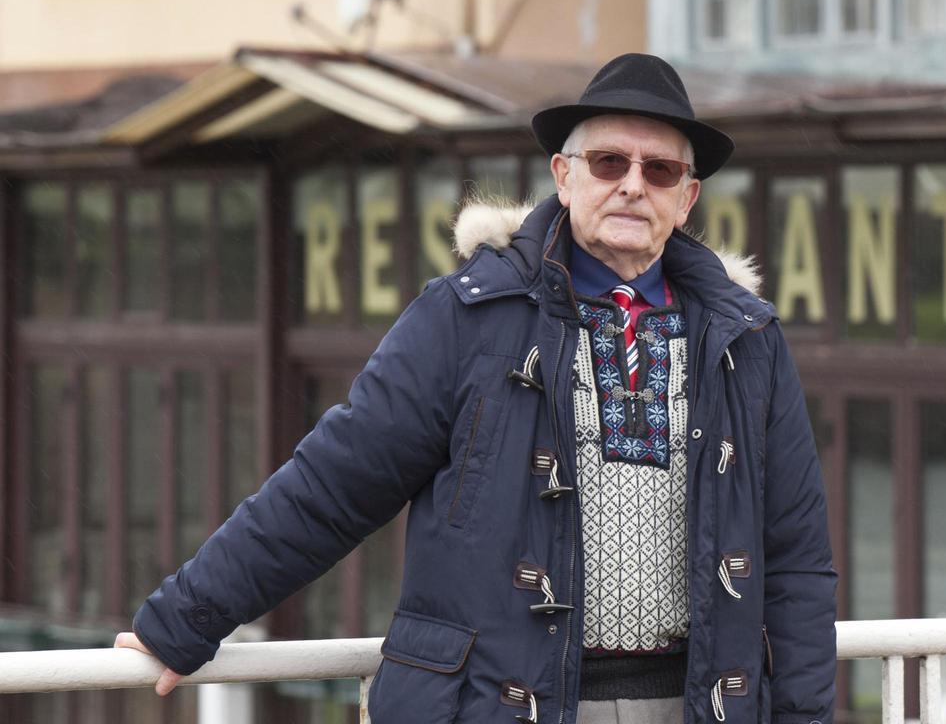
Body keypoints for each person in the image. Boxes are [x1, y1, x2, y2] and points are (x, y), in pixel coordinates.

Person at [116, 53, 837, 723]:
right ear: (563, 174)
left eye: (659, 171)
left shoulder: (747, 341)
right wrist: (186, 620)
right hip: (500, 704)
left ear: (687, 198)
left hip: (685, 705)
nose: (631, 184)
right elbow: (334, 484)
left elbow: (797, 559)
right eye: (610, 161)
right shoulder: (469, 315)